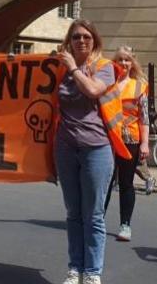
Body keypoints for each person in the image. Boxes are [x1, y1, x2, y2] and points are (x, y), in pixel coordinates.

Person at [55, 19, 118, 284]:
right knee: (73, 213)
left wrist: (73, 68)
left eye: (87, 37)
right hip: (66, 147)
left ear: (95, 41)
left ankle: (92, 273)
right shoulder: (58, 69)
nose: (81, 41)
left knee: (93, 215)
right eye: (77, 37)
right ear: (69, 41)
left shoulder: (104, 67)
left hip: (96, 148)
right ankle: (74, 268)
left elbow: (93, 91)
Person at [103, 46, 150, 242]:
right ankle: (96, 220)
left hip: (130, 138)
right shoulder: (106, 84)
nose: (123, 63)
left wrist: (145, 143)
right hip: (107, 138)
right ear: (114, 62)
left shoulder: (139, 85)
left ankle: (125, 224)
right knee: (103, 182)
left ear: (133, 63)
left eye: (127, 60)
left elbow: (144, 118)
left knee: (126, 183)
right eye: (120, 59)